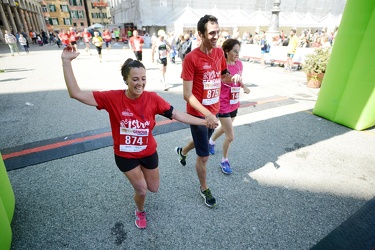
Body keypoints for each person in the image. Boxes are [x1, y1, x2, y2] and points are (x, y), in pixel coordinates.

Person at [61, 45, 211, 229]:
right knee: (141, 190)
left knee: (153, 188)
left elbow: (178, 115)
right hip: (125, 155)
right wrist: (66, 62)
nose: (140, 83)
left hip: (148, 151)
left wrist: (204, 121)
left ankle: (141, 179)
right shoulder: (112, 98)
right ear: (125, 80)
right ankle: (140, 210)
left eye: (143, 79)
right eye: (135, 79)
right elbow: (75, 93)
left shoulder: (153, 99)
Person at [174, 15, 241, 208]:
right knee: (204, 155)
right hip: (198, 115)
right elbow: (187, 95)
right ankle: (204, 188)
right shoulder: (191, 58)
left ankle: (182, 151)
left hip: (215, 111)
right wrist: (207, 114)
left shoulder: (220, 53)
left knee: (201, 142)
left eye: (217, 32)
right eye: (211, 33)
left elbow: (222, 76)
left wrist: (233, 79)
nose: (215, 36)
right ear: (200, 34)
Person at [208, 39, 250, 174]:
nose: (237, 53)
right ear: (226, 51)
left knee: (226, 128)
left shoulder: (239, 64)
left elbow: (239, 79)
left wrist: (244, 86)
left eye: (239, 51)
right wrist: (233, 77)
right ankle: (224, 161)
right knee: (230, 136)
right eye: (235, 51)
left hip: (234, 102)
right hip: (223, 104)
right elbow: (225, 78)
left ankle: (211, 141)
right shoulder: (221, 65)